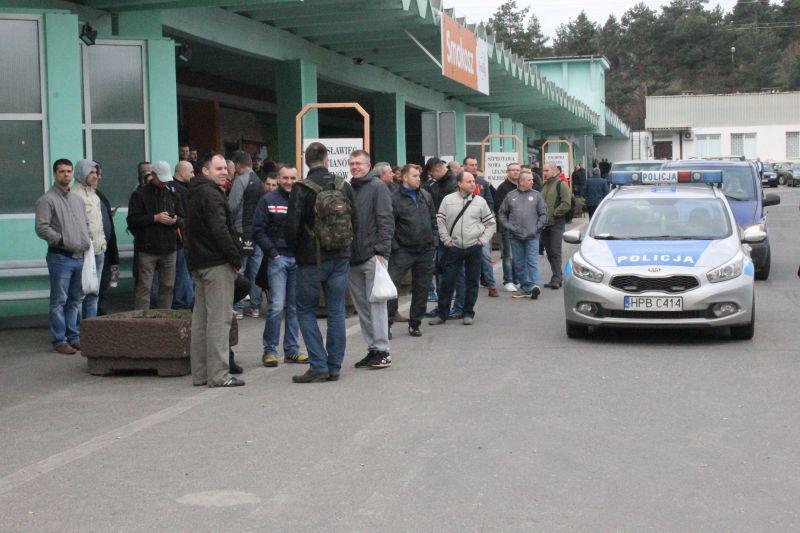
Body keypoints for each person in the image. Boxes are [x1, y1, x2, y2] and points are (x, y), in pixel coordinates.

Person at [285, 142, 356, 383]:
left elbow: (292, 227)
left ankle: (318, 365)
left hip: (310, 260)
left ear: (307, 161)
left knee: (306, 310)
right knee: (336, 311)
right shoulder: (343, 185)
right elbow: (355, 220)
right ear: (327, 159)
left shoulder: (301, 188)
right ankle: (334, 367)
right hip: (340, 257)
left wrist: (297, 251)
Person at [185, 154, 244, 387]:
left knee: (201, 321)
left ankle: (200, 374)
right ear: (205, 171)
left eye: (225, 168)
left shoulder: (194, 192)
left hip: (199, 262)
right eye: (218, 168)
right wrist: (235, 257)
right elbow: (220, 230)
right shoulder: (211, 194)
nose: (224, 172)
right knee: (219, 321)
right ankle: (219, 375)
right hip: (216, 263)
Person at [252, 164, 309, 367]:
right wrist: (273, 253)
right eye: (285, 178)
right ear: (278, 178)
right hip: (278, 259)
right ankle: (270, 350)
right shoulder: (268, 200)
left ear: (298, 179)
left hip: (297, 260)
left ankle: (292, 350)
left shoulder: (303, 200)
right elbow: (257, 230)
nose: (289, 182)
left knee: (294, 307)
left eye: (293, 178)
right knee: (276, 306)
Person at [35, 159, 91, 354]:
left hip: (80, 257)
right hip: (60, 257)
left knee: (75, 300)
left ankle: (73, 336)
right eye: (62, 171)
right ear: (55, 174)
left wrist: (86, 240)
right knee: (59, 300)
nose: (66, 175)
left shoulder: (77, 200)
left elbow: (85, 223)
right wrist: (61, 240)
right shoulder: (47, 200)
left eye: (69, 171)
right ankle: (60, 340)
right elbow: (41, 227)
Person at [428, 171, 495, 326]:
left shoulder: (480, 202)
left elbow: (490, 224)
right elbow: (440, 221)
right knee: (447, 281)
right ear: (459, 183)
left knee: (472, 282)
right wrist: (446, 240)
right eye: (469, 181)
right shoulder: (448, 200)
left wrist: (482, 241)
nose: (473, 184)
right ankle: (442, 314)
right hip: (454, 247)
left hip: (474, 247)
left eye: (473, 181)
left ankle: (468, 313)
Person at [348, 150, 395, 370]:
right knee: (363, 308)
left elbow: (386, 220)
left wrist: (381, 252)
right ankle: (373, 349)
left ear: (369, 166)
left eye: (359, 163)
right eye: (351, 163)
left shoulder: (378, 187)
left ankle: (383, 350)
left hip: (372, 256)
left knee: (376, 305)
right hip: (353, 258)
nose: (354, 167)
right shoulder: (349, 188)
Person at [387, 164, 436, 338]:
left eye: (419, 176)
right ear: (404, 177)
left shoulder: (425, 195)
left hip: (425, 250)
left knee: (422, 288)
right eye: (414, 176)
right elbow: (389, 225)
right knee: (392, 287)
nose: (418, 179)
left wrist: (434, 242)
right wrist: (396, 247)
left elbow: (433, 220)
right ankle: (387, 324)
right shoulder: (394, 198)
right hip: (403, 251)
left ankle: (415, 323)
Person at [127, 161, 183, 310]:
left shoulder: (172, 193)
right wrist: (155, 218)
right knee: (144, 287)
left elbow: (183, 217)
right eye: (161, 179)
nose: (164, 183)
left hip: (169, 247)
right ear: (153, 175)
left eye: (166, 179)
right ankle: (142, 318)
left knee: (168, 286)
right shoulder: (140, 194)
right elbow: (132, 220)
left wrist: (176, 220)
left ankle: (164, 317)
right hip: (147, 248)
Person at [498, 169, 548, 299]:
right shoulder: (510, 196)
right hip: (515, 236)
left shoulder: (537, 195)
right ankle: (526, 288)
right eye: (530, 180)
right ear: (521, 181)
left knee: (532, 261)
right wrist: (509, 226)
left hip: (532, 236)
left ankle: (535, 285)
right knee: (519, 263)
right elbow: (501, 213)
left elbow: (543, 214)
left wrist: (537, 228)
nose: (532, 182)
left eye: (532, 179)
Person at [228, 151, 265, 318]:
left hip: (241, 231)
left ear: (237, 165)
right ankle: (256, 307)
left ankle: (239, 307)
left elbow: (232, 206)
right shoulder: (259, 181)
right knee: (256, 271)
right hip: (257, 232)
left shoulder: (240, 180)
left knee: (240, 270)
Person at [70, 159, 107, 319]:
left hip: (99, 249)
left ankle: (91, 328)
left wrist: (103, 243)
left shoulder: (93, 194)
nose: (95, 176)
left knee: (94, 292)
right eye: (91, 172)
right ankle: (77, 329)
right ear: (81, 173)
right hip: (84, 252)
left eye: (96, 172)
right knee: (80, 294)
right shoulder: (74, 195)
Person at [462, 156, 498, 298]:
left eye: (476, 164)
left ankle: (491, 285)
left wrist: (485, 215)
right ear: (465, 166)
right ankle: (465, 286)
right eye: (471, 165)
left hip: (481, 226)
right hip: (464, 227)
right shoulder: (459, 182)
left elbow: (490, 201)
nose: (474, 167)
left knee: (485, 256)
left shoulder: (483, 183)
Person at [540, 162, 573, 289]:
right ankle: (557, 275)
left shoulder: (561, 184)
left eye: (546, 170)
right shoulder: (545, 185)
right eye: (543, 170)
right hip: (545, 224)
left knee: (555, 251)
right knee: (549, 252)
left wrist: (554, 213)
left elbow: (566, 203)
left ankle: (557, 278)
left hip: (556, 223)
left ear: (554, 171)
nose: (544, 173)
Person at [95, 163, 119, 316]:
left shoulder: (100, 195)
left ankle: (99, 310)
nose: (99, 177)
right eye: (96, 174)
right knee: (92, 287)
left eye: (99, 174)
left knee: (104, 284)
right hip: (92, 250)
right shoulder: (80, 196)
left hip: (106, 248)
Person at [494, 162, 521, 292]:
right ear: (508, 172)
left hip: (521, 226)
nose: (515, 172)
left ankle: (517, 280)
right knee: (508, 254)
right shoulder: (503, 188)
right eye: (512, 170)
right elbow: (498, 208)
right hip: (508, 226)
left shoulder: (522, 186)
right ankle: (508, 280)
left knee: (518, 254)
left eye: (517, 170)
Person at [171, 161, 195, 309]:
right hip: (181, 237)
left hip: (179, 237)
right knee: (183, 272)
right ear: (181, 172)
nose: (193, 175)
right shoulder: (181, 192)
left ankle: (182, 300)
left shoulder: (175, 188)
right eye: (191, 172)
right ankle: (183, 302)